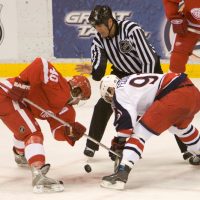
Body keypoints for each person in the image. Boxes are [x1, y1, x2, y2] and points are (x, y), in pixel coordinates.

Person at [76, 4, 188, 161]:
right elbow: (99, 72)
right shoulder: (98, 40)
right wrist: (93, 70)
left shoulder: (130, 29)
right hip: (122, 75)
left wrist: (143, 90)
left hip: (150, 72)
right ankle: (92, 144)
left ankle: (188, 148)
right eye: (95, 26)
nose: (98, 29)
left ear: (109, 22)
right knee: (103, 105)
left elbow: (149, 59)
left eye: (99, 25)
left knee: (168, 108)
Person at [0, 57, 91, 193]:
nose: (78, 102)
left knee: (27, 126)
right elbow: (40, 63)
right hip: (8, 95)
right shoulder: (61, 87)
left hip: (20, 104)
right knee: (32, 133)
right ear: (77, 91)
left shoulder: (67, 111)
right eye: (81, 98)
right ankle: (38, 174)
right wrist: (21, 82)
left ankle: (20, 154)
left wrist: (69, 133)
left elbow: (57, 133)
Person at [99, 73, 200, 190]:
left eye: (108, 96)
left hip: (175, 96)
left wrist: (119, 142)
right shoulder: (128, 83)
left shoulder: (119, 92)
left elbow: (126, 126)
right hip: (193, 92)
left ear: (110, 89)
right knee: (179, 128)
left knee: (139, 134)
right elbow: (134, 116)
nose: (110, 100)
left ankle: (121, 175)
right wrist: (119, 141)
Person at [162, 0, 200, 73]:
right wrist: (174, 17)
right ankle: (174, 79)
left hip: (192, 23)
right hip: (191, 24)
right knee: (179, 55)